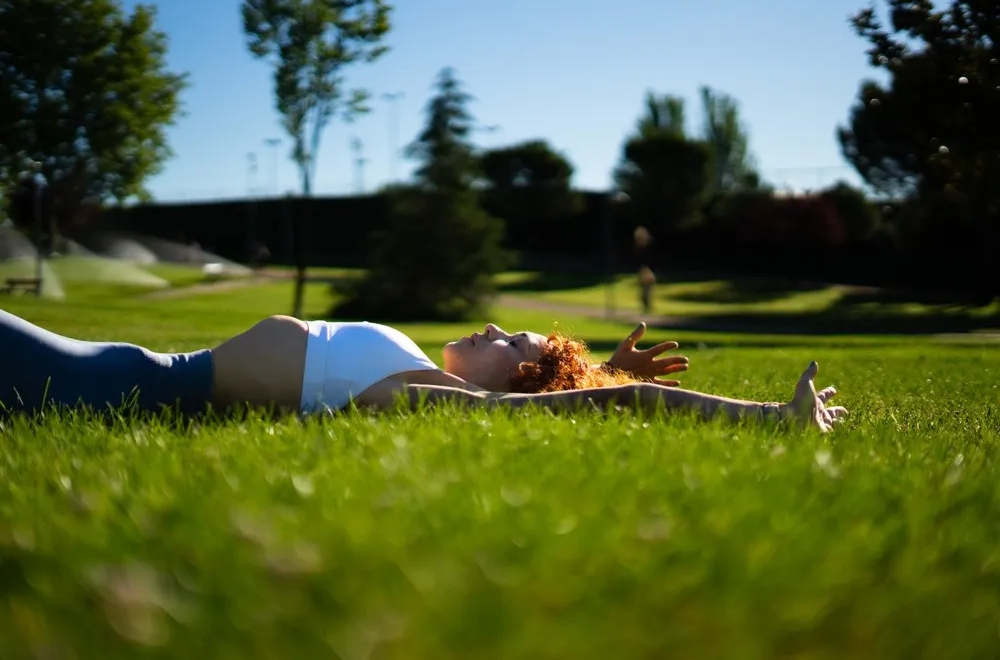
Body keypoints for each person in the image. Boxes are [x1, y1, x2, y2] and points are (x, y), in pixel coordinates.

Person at [0, 309, 846, 431]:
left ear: (514, 383)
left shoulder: (428, 396)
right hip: (120, 371)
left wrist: (766, 414)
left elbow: (629, 402)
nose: (493, 326)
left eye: (511, 342)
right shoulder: (415, 364)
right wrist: (586, 367)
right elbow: (596, 387)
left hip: (114, 386)